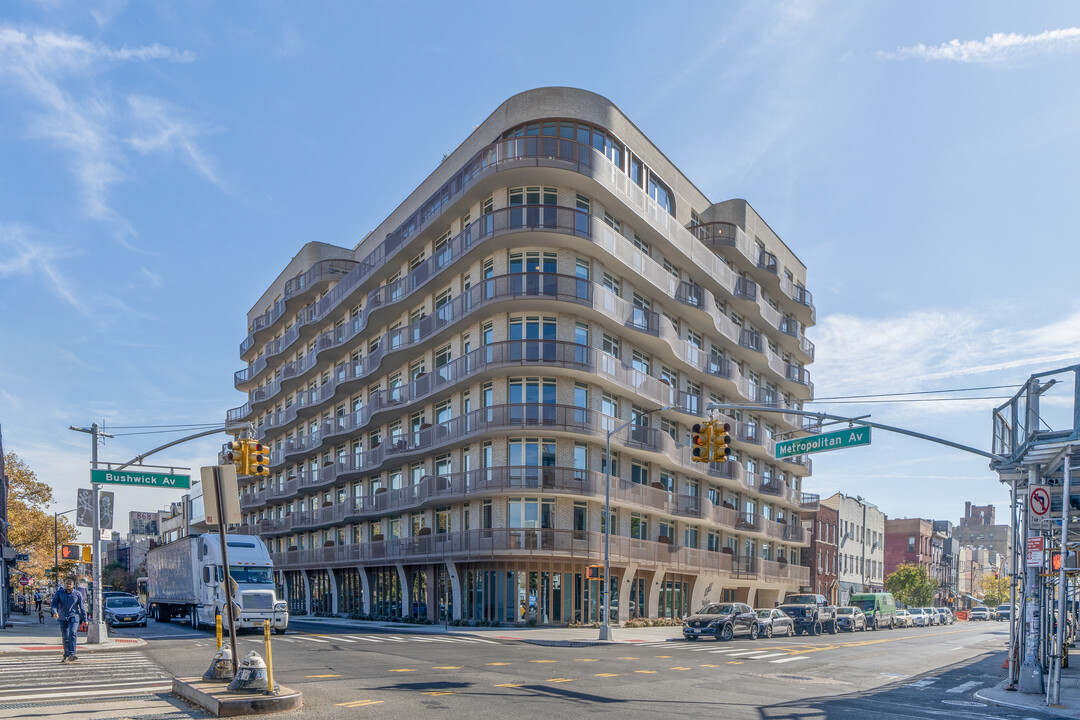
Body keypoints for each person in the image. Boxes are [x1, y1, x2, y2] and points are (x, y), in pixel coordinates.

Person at [51, 577, 86, 663]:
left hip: (74, 616)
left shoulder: (77, 594)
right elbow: (54, 604)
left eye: (70, 584)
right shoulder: (59, 593)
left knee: (72, 633)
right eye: (67, 584)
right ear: (64, 584)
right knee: (65, 636)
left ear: (73, 585)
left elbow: (82, 607)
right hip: (63, 617)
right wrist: (55, 612)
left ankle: (72, 653)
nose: (68, 585)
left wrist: (85, 619)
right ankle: (66, 654)